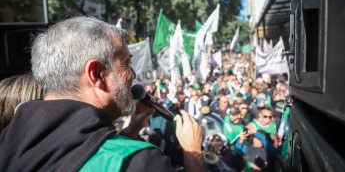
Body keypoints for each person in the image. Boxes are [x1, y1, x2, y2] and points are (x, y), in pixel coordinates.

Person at [0, 16, 204, 172]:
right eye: (126, 64)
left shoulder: (7, 142)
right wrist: (193, 154)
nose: (133, 75)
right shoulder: (139, 162)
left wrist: (130, 133)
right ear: (97, 74)